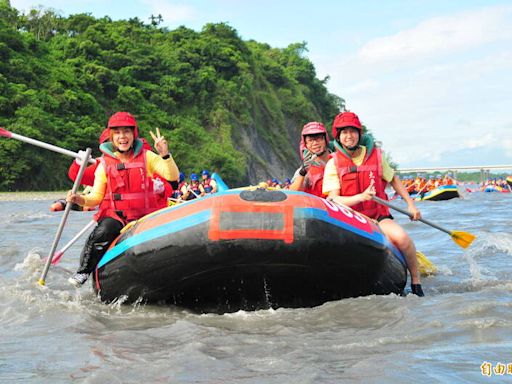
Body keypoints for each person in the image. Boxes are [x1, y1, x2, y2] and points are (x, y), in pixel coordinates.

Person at [66, 112, 179, 287]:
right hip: (118, 216)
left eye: (126, 132)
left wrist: (165, 155)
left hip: (145, 215)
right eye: (117, 133)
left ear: (134, 134)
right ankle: (83, 271)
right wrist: (80, 200)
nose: (122, 137)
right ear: (111, 137)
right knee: (102, 231)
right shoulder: (103, 164)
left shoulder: (147, 156)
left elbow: (172, 176)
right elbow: (95, 197)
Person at [322, 111, 424, 296]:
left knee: (402, 239)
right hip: (350, 219)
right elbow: (334, 199)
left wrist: (411, 205)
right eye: (344, 132)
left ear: (359, 134)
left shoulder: (377, 156)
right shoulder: (333, 163)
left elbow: (393, 180)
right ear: (338, 136)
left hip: (378, 216)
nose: (349, 136)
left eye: (352, 131)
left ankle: (416, 283)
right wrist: (360, 197)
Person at [289, 121, 331, 197]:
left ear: (325, 140)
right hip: (318, 208)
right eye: (310, 140)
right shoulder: (303, 171)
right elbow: (293, 194)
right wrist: (303, 172)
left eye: (318, 139)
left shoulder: (337, 160)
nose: (315, 143)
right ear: (306, 145)